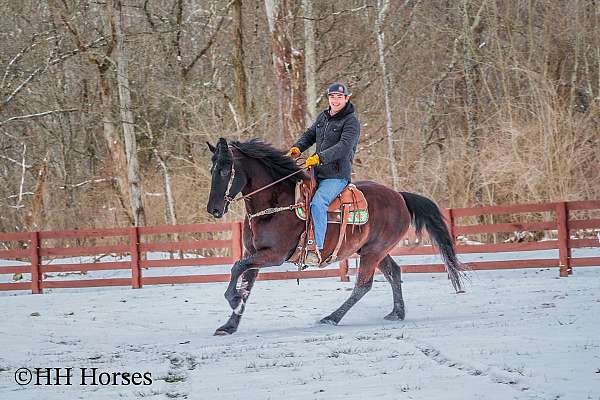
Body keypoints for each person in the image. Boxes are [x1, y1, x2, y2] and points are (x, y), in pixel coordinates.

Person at [287, 82, 361, 265]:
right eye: (332, 97)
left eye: (339, 97)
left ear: (346, 98)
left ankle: (316, 249)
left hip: (336, 176)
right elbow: (310, 135)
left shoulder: (351, 122)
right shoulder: (324, 117)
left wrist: (319, 157)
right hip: (316, 173)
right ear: (328, 98)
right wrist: (297, 147)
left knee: (318, 203)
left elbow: (344, 147)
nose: (335, 100)